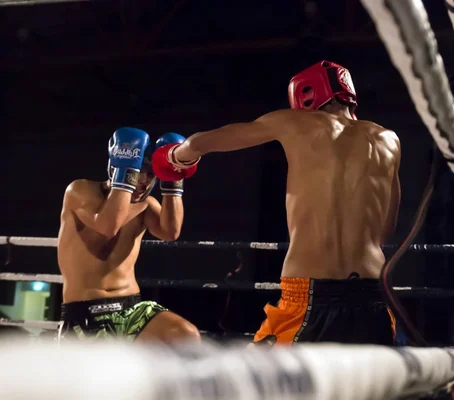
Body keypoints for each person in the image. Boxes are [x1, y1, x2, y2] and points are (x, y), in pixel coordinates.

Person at [153, 61, 401, 345]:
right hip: (374, 298)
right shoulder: (389, 140)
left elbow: (199, 144)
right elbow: (385, 231)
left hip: (309, 296)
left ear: (305, 95)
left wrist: (173, 157)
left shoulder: (293, 122)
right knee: (365, 388)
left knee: (258, 384)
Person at [57, 128, 200, 343]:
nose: (144, 180)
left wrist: (172, 180)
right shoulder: (81, 190)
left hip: (131, 307)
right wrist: (126, 177)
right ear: (117, 166)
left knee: (185, 335)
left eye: (152, 173)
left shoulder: (147, 205)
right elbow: (108, 226)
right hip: (86, 313)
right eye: (139, 171)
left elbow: (171, 232)